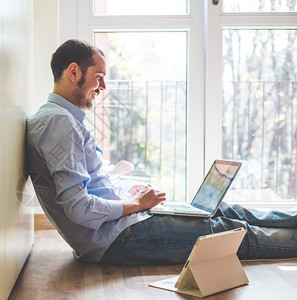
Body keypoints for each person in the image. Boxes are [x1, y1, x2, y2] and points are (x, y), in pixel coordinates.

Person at [25, 39, 297, 265]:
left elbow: (87, 190)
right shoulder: (58, 122)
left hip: (122, 225)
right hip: (115, 239)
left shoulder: (58, 119)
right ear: (74, 72)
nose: (103, 87)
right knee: (229, 232)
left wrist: (127, 195)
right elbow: (79, 208)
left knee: (222, 209)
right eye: (99, 77)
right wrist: (136, 205)